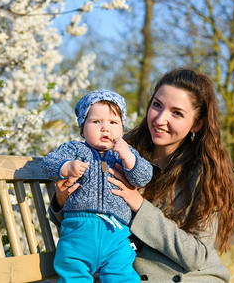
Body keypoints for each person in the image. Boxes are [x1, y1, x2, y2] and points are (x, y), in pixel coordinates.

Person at [48, 68, 234, 282]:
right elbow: (81, 224)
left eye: (176, 113)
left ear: (197, 124)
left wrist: (139, 205)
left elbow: (196, 256)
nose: (160, 120)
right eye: (157, 105)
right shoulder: (116, 149)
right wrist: (60, 200)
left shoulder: (205, 174)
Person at [42, 89, 153, 283]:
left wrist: (129, 159)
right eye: (96, 122)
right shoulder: (75, 149)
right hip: (78, 231)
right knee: (73, 273)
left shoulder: (124, 152)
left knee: (122, 275)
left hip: (115, 233)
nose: (105, 128)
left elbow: (144, 176)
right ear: (83, 127)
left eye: (113, 122)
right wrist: (67, 167)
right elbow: (48, 163)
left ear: (122, 128)